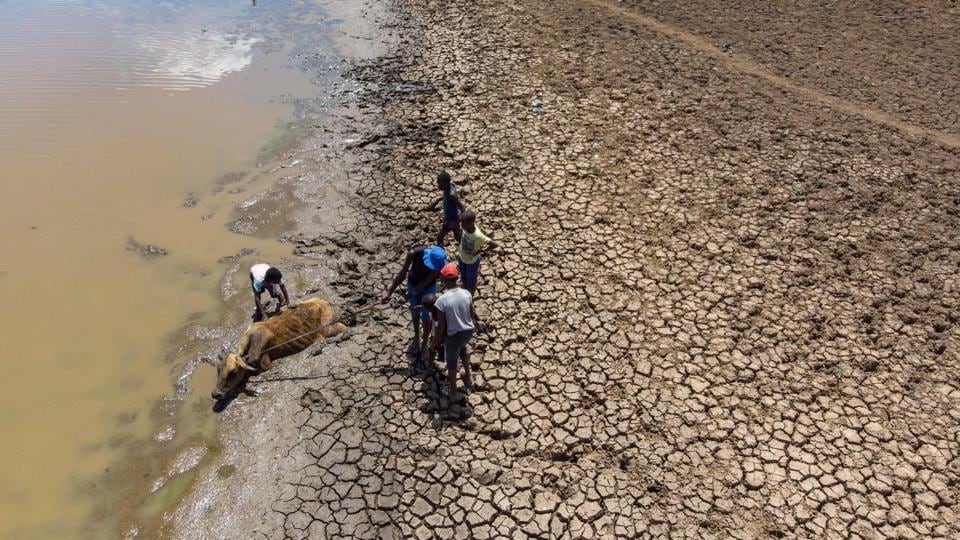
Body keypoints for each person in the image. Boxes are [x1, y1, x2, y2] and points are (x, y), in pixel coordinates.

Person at [382, 245, 447, 354]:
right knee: (414, 311)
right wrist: (389, 292)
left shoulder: (439, 262)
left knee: (426, 315)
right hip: (412, 283)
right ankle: (417, 337)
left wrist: (407, 296)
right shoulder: (414, 253)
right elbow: (403, 273)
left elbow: (426, 281)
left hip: (428, 288)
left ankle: (425, 341)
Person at [433, 263, 476, 398]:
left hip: (454, 335)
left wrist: (434, 342)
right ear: (457, 278)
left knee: (452, 362)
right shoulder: (466, 293)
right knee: (463, 349)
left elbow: (440, 326)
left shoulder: (441, 301)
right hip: (468, 331)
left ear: (443, 280)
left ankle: (452, 389)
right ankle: (468, 378)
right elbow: (471, 313)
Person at [457, 209, 498, 295]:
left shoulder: (478, 236)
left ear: (469, 223)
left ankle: (471, 292)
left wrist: (482, 251)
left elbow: (494, 244)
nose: (461, 225)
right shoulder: (466, 227)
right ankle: (465, 286)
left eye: (462, 223)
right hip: (462, 256)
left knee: (470, 278)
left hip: (472, 261)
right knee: (463, 276)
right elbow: (462, 233)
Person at [426, 171, 465, 246]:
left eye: (440, 184)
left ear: (446, 183)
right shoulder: (450, 185)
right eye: (438, 184)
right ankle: (466, 248)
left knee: (440, 237)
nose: (438, 186)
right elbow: (445, 196)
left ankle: (439, 254)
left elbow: (462, 207)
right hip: (455, 217)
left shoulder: (452, 195)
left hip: (451, 220)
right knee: (457, 237)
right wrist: (436, 201)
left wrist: (463, 222)